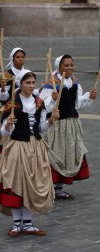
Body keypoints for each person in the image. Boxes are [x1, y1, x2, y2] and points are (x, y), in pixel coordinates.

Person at [0, 70, 58, 237]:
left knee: (32, 184)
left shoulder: (39, 103)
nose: (31, 86)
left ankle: (28, 224)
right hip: (17, 146)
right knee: (17, 183)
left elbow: (41, 128)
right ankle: (17, 224)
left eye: (32, 83)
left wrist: (50, 121)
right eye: (27, 83)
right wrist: (8, 124)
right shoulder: (12, 103)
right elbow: (4, 132)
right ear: (21, 84)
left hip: (35, 146)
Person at [39, 54, 97, 199]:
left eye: (71, 65)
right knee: (54, 154)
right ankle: (47, 188)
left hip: (71, 124)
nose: (70, 68)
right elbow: (41, 105)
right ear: (59, 67)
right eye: (66, 65)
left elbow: (77, 104)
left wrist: (89, 96)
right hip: (56, 125)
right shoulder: (50, 83)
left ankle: (59, 189)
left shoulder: (75, 82)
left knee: (66, 154)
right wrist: (52, 100)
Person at [0, 48, 27, 156]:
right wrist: (4, 88)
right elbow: (2, 98)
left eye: (22, 57)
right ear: (13, 59)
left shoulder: (27, 73)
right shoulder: (6, 75)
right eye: (18, 57)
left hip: (23, 109)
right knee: (7, 137)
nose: (20, 59)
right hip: (8, 108)